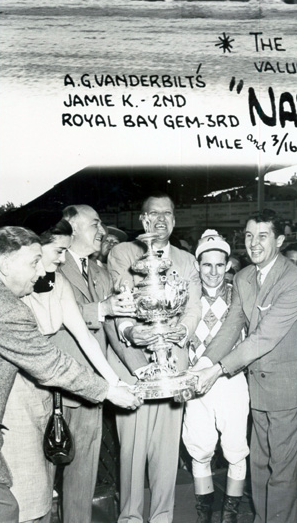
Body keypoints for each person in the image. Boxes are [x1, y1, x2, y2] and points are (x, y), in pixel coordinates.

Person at [0, 227, 139, 523]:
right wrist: (110, 391)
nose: (40, 272)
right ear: (5, 264)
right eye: (34, 262)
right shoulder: (3, 307)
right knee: (5, 511)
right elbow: (51, 364)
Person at [194, 212, 297, 523]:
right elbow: (232, 327)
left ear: (279, 240)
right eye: (249, 235)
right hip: (256, 384)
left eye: (262, 236)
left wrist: (218, 369)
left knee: (282, 471)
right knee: (259, 467)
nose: (254, 242)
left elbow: (264, 338)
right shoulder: (244, 277)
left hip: (286, 386)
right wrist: (203, 363)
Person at [106, 195, 202, 523]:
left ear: (175, 220)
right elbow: (119, 296)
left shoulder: (188, 260)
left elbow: (193, 306)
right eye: (153, 214)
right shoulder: (122, 253)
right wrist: (131, 332)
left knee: (167, 453)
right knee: (132, 452)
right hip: (134, 368)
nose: (161, 220)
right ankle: (130, 518)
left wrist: (185, 331)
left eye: (167, 214)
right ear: (142, 220)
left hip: (175, 366)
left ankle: (163, 517)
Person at [50, 206, 136, 523]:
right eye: (95, 224)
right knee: (45, 480)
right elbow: (57, 317)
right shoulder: (50, 266)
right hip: (56, 388)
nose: (101, 231)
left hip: (94, 389)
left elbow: (111, 328)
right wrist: (102, 308)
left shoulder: (99, 272)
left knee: (82, 478)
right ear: (71, 226)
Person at [183, 230, 250, 523]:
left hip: (230, 379)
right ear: (198, 265)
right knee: (200, 448)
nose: (213, 271)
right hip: (195, 380)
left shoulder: (240, 294)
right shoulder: (186, 294)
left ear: (228, 265)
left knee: (235, 449)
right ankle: (204, 515)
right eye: (207, 265)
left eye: (219, 265)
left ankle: (229, 516)